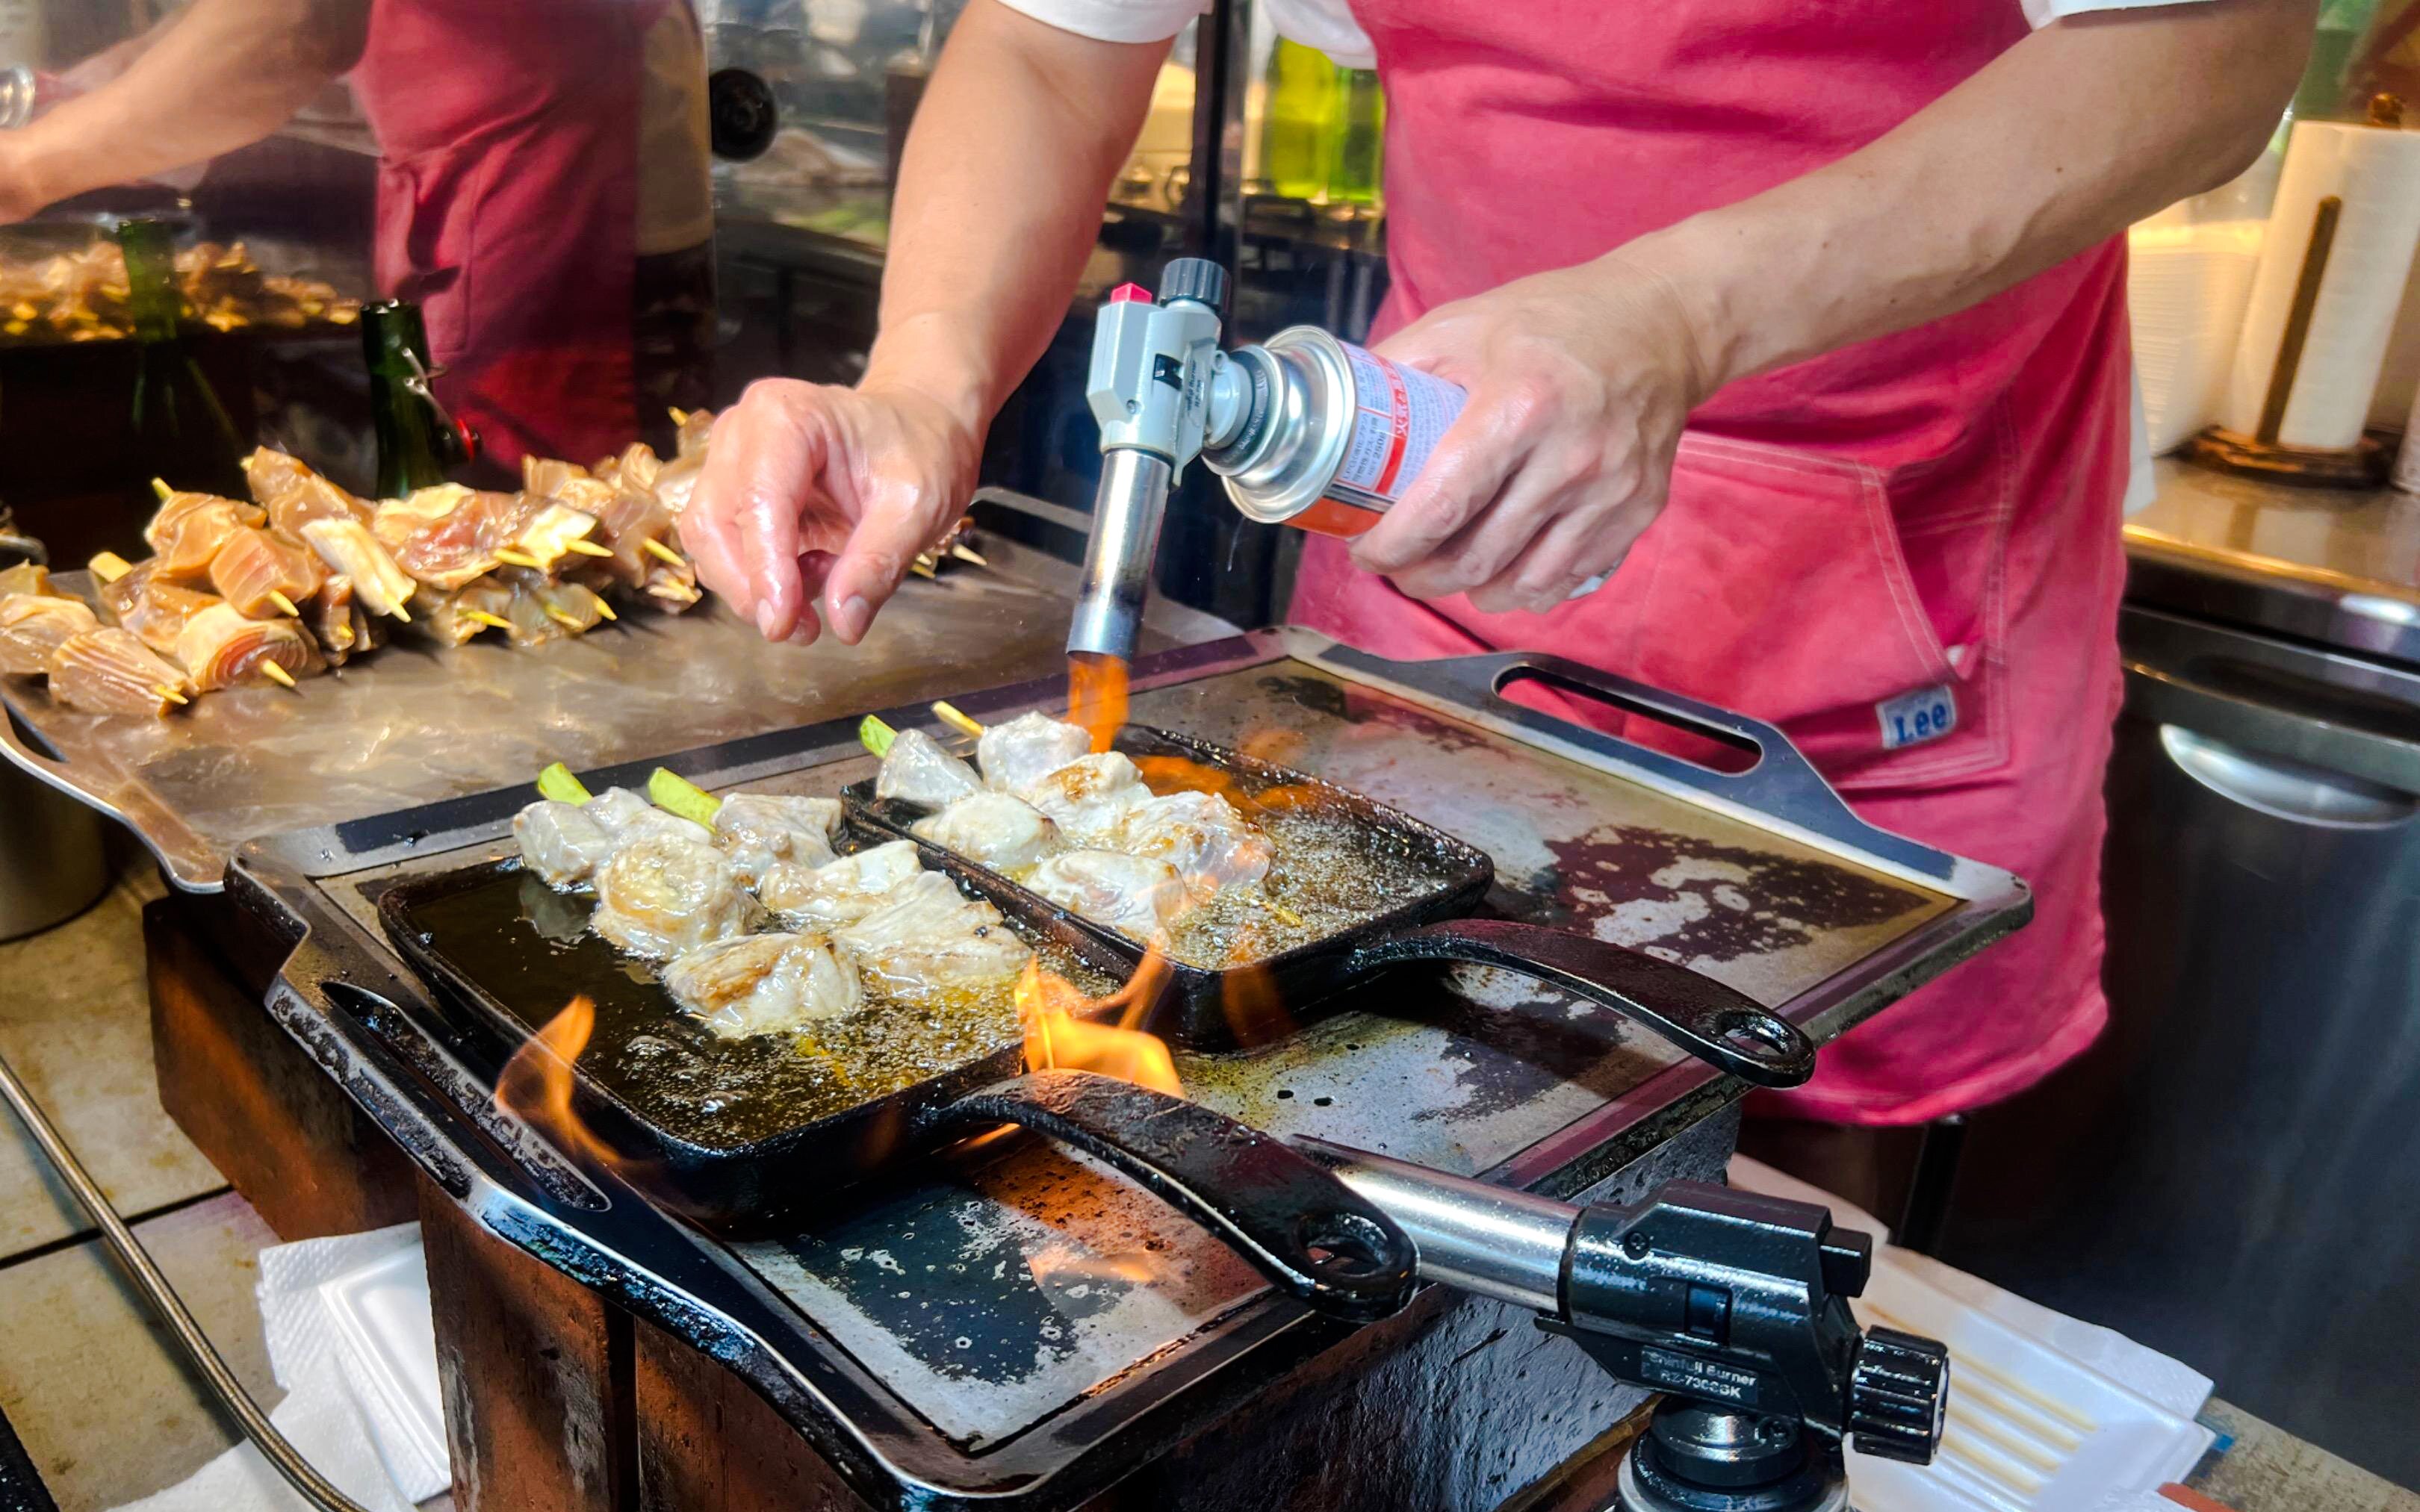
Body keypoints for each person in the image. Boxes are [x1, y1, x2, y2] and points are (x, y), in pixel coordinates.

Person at [712, 0, 2312, 1201]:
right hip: (1435, 528)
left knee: (1766, 1241)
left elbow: (2209, 49)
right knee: (1364, 1134)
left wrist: (1675, 315)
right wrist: (927, 378)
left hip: (1879, 616)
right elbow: (1055, 46)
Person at [0, 0, 714, 468]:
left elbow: (294, 23)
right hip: (487, 185)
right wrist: (112, 79)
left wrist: (25, 169)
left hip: (567, 200)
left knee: (564, 546)